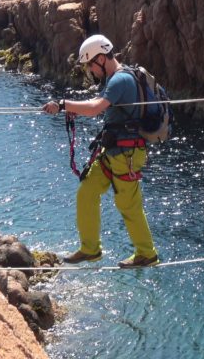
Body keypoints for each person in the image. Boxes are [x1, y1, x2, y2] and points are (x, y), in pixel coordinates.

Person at [42, 34, 160, 268]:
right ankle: (90, 249)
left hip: (126, 154)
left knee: (128, 205)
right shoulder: (117, 77)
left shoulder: (119, 81)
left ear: (101, 58)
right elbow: (100, 106)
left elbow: (96, 108)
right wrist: (74, 108)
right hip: (114, 151)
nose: (90, 70)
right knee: (87, 192)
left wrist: (64, 104)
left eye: (90, 65)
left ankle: (147, 254)